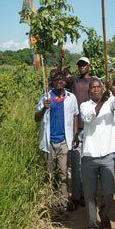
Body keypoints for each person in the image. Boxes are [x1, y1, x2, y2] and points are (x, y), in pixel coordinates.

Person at [80, 78, 115, 229]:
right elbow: (89, 119)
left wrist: (112, 89)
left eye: (99, 87)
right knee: (89, 194)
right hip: (89, 155)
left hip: (107, 154)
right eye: (93, 87)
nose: (97, 90)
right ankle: (92, 224)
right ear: (89, 90)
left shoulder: (110, 100)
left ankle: (104, 216)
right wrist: (102, 102)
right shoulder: (85, 105)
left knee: (108, 191)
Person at [57, 50, 99, 210]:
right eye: (79, 65)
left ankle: (87, 195)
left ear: (89, 66)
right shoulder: (74, 80)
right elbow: (58, 78)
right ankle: (76, 196)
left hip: (91, 128)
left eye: (84, 64)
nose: (81, 67)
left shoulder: (95, 82)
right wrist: (61, 60)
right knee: (75, 164)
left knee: (89, 163)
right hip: (76, 128)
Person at [34, 73, 79, 213]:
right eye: (56, 80)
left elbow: (75, 114)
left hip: (64, 142)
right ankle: (50, 204)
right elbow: (36, 118)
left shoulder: (71, 98)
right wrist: (44, 108)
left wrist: (75, 135)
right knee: (50, 174)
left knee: (63, 174)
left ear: (65, 83)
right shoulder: (45, 97)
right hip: (48, 143)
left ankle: (62, 205)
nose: (59, 82)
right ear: (52, 83)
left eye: (61, 80)